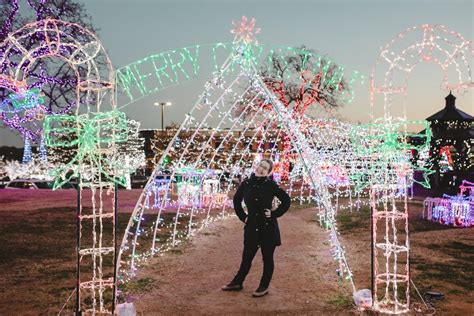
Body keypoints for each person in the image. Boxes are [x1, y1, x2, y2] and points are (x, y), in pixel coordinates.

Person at [222, 158, 291, 297]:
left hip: (267, 227)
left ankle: (263, 286)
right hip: (252, 226)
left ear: (268, 172)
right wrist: (243, 217)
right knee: (247, 257)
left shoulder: (271, 186)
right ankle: (238, 282)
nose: (261, 169)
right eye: (260, 165)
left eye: (265, 168)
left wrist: (274, 213)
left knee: (267, 258)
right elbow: (236, 200)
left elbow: (286, 201)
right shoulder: (246, 183)